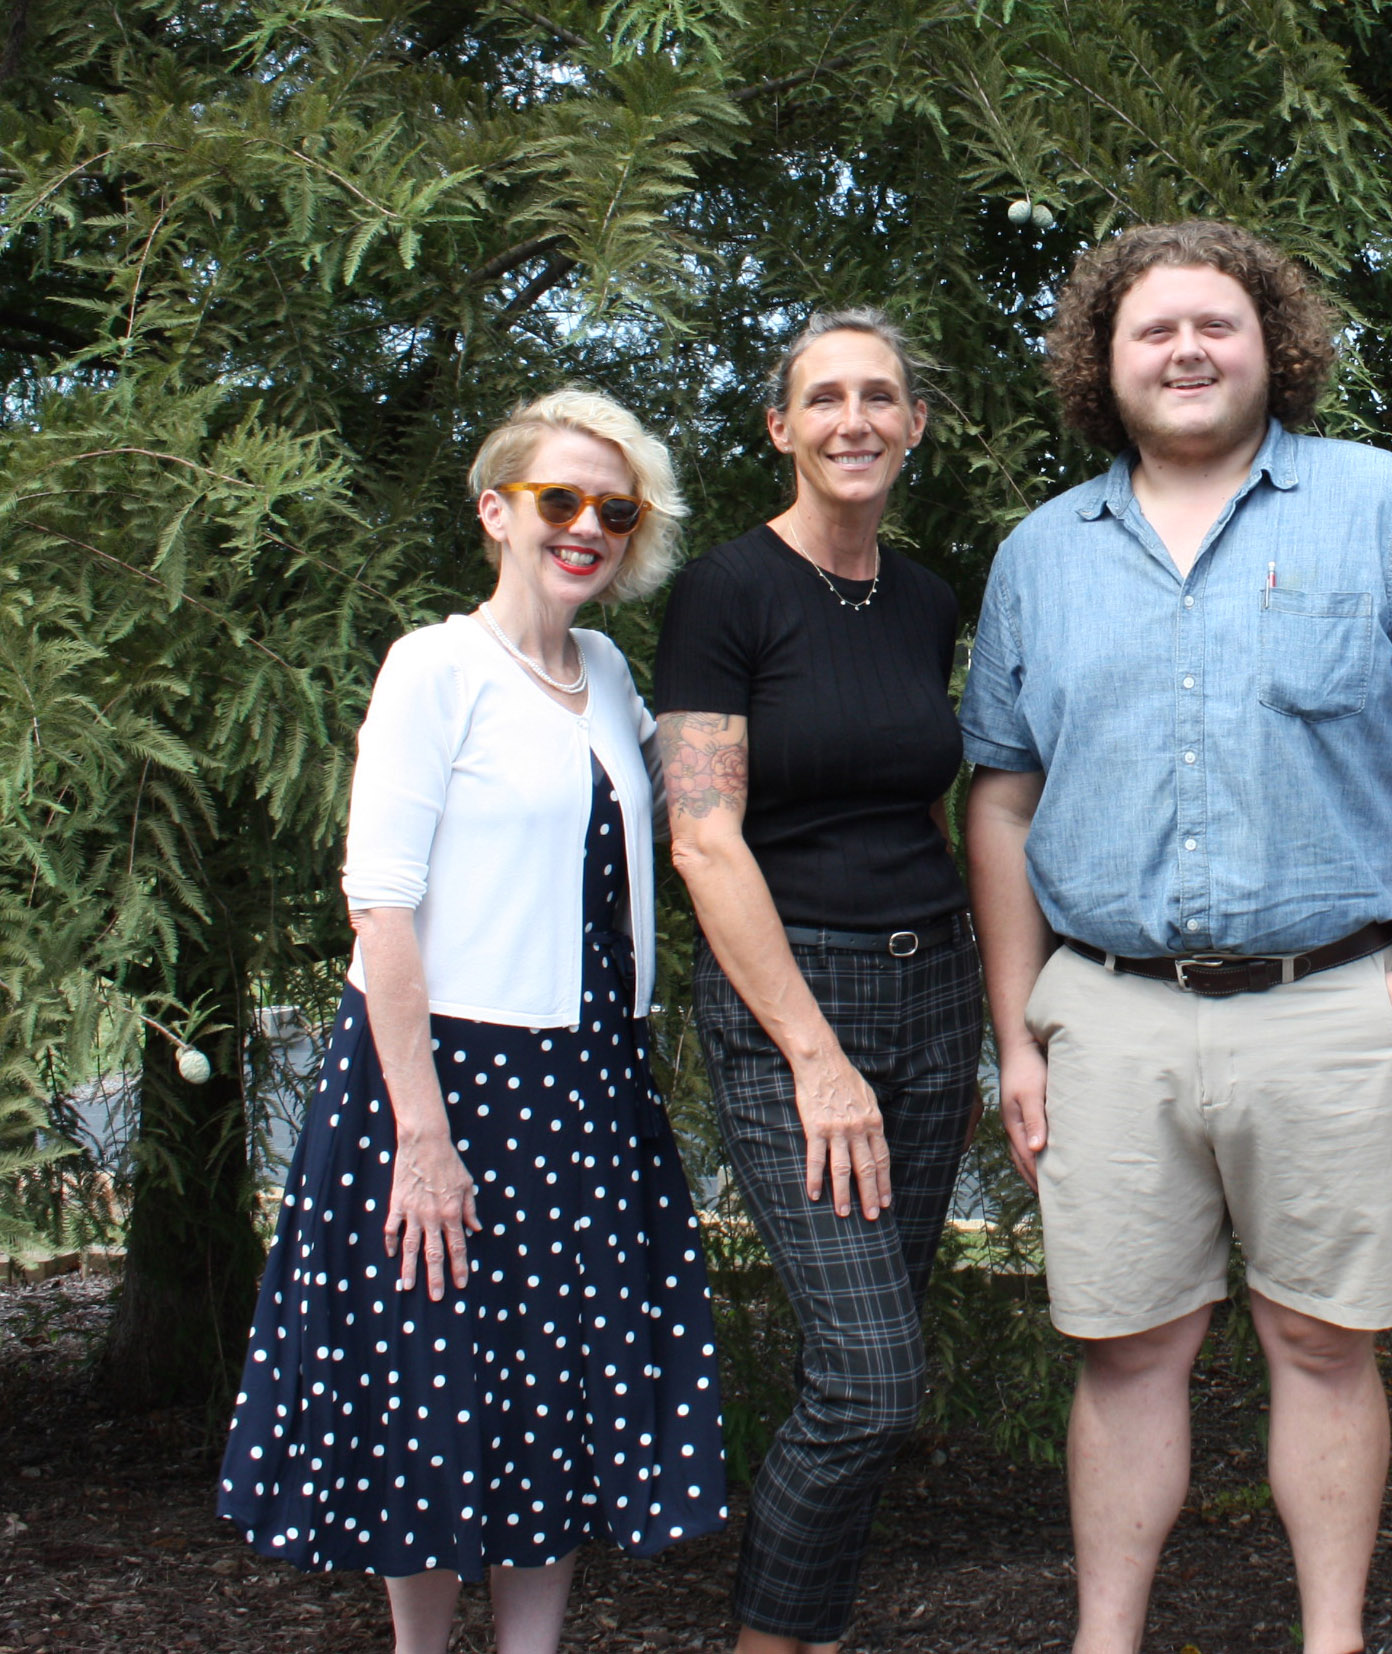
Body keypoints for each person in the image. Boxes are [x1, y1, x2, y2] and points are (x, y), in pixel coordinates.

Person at [960, 219, 1392, 1654]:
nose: (1188, 350)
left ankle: (1334, 1636)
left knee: (1324, 1344)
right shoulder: (1040, 553)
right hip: (1110, 1014)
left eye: (1218, 324)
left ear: (1275, 347)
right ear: (1104, 359)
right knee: (1126, 1352)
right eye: (1154, 329)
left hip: (1330, 1005)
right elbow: (1002, 797)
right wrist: (1018, 1024)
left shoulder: (1381, 508)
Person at [218, 388, 724, 1654]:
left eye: (616, 509)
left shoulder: (608, 674)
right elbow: (381, 911)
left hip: (588, 1084)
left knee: (550, 1393)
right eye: (561, 500)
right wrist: (422, 1138)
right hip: (445, 1082)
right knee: (430, 1393)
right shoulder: (435, 667)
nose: (588, 527)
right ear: (495, 510)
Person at [652, 309, 981, 1654]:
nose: (855, 418)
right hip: (798, 1008)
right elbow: (701, 832)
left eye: (881, 396)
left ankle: (816, 1631)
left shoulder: (924, 597)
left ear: (912, 426)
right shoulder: (727, 592)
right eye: (824, 397)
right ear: (778, 428)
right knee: (869, 1381)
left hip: (935, 989)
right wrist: (812, 1051)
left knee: (869, 1373)